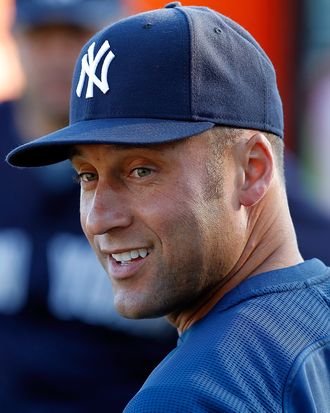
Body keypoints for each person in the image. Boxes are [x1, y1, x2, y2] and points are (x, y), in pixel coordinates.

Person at [6, 2, 330, 412]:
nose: (98, 218)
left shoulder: (185, 395)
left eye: (141, 170)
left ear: (251, 171)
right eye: (86, 175)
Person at [0, 1, 176, 412]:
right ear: (16, 40)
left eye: (76, 36)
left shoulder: (170, 142)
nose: (60, 57)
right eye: (42, 37)